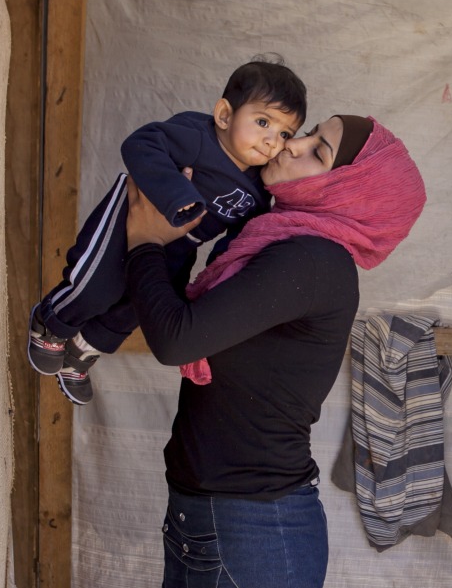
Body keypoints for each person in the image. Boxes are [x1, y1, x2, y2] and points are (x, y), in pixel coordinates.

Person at [123, 114, 427, 588]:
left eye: (316, 149)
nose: (290, 145)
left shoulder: (313, 262)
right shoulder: (270, 240)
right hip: (214, 520)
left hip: (250, 533)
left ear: (349, 190)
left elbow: (176, 338)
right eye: (305, 134)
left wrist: (144, 246)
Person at [24, 59, 305, 404]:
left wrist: (218, 269)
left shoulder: (257, 189)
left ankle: (82, 352)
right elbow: (140, 145)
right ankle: (52, 321)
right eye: (263, 122)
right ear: (225, 115)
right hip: (130, 217)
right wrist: (177, 195)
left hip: (179, 247)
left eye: (284, 134)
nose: (271, 141)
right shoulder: (198, 136)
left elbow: (243, 236)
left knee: (143, 305)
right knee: (99, 285)